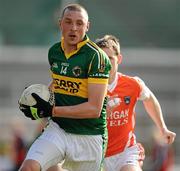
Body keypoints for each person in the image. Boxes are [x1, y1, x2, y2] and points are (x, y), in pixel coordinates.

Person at [18, 3, 111, 171]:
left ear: (87, 26)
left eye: (79, 23)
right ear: (60, 23)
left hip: (89, 137)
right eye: (68, 22)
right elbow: (58, 82)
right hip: (58, 129)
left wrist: (51, 110)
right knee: (29, 167)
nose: (73, 28)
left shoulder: (97, 57)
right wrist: (36, 101)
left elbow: (94, 109)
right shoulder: (54, 52)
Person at [95, 35, 176, 171]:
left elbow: (150, 99)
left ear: (119, 59)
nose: (105, 64)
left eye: (110, 58)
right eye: (101, 59)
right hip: (95, 153)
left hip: (125, 152)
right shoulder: (87, 86)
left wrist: (162, 128)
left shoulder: (132, 84)